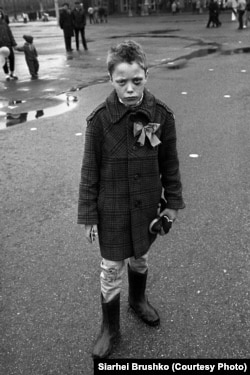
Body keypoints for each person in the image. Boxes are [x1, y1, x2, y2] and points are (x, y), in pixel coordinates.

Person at [78, 40, 185, 358]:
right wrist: (87, 215)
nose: (129, 89)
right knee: (111, 268)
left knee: (140, 257)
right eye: (121, 81)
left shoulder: (161, 116)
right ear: (110, 78)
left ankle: (137, 300)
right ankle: (110, 328)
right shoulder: (98, 120)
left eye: (136, 81)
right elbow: (89, 172)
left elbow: (170, 163)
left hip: (145, 208)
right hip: (110, 211)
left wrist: (173, 203)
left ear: (147, 75)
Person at [0, 11, 18, 80]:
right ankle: (6, 74)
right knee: (3, 60)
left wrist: (14, 44)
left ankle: (12, 72)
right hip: (1, 46)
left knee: (12, 58)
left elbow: (10, 34)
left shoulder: (5, 23)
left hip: (8, 44)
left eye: (0, 13)